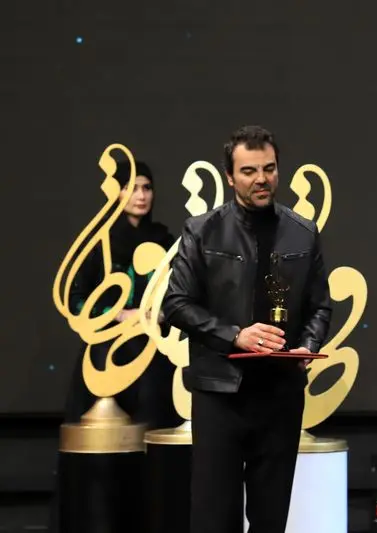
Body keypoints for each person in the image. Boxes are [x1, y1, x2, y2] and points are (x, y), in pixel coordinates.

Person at [162, 125, 332, 533]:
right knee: (214, 517)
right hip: (220, 393)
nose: (261, 179)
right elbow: (176, 303)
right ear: (229, 176)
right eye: (249, 171)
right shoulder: (202, 230)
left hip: (280, 393)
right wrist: (235, 335)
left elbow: (320, 306)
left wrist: (305, 347)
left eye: (269, 169)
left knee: (271, 518)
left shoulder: (302, 231)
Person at [64, 159, 179, 429]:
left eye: (146, 188)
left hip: (153, 349)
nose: (141, 196)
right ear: (116, 192)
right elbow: (76, 300)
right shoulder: (100, 242)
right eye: (131, 187)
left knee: (154, 425)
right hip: (107, 349)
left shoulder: (164, 241)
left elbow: (179, 295)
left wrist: (161, 314)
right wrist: (119, 314)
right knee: (108, 434)